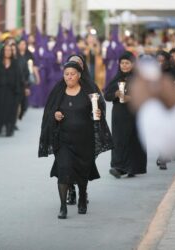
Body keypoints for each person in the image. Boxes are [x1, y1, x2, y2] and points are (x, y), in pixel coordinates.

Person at [39, 60, 113, 219]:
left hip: (84, 139)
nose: (69, 77)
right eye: (66, 74)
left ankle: (82, 198)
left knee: (82, 172)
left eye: (72, 74)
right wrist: (55, 115)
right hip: (64, 140)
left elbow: (96, 114)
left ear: (79, 75)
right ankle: (63, 206)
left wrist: (97, 115)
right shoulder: (59, 92)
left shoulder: (89, 92)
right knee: (63, 169)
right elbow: (50, 113)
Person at [64, 54, 106, 205]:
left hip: (84, 133)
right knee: (66, 164)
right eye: (72, 63)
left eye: (78, 63)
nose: (75, 66)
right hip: (66, 133)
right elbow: (53, 106)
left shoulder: (90, 85)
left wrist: (98, 112)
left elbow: (100, 104)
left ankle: (83, 191)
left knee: (82, 165)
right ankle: (70, 190)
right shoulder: (63, 85)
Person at [104, 51, 147, 178]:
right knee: (119, 139)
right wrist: (115, 94)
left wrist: (131, 98)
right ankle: (119, 167)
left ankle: (133, 167)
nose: (124, 65)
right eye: (122, 63)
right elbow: (107, 95)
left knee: (133, 139)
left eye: (127, 63)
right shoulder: (116, 77)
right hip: (119, 114)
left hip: (134, 113)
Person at [0, 44, 21, 136]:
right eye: (6, 50)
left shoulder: (15, 63)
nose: (8, 52)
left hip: (11, 91)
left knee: (10, 109)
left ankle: (9, 128)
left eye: (9, 50)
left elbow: (18, 77)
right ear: (2, 51)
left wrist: (18, 90)